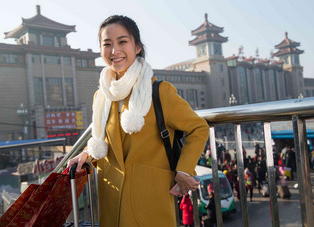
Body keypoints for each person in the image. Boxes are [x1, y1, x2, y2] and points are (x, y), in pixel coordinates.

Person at [67, 15, 209, 227]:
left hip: (150, 202)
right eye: (107, 44)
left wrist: (184, 170)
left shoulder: (159, 92)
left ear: (138, 47)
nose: (114, 51)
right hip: (111, 202)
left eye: (122, 42)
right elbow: (106, 143)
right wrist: (87, 153)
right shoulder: (101, 97)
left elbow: (198, 128)